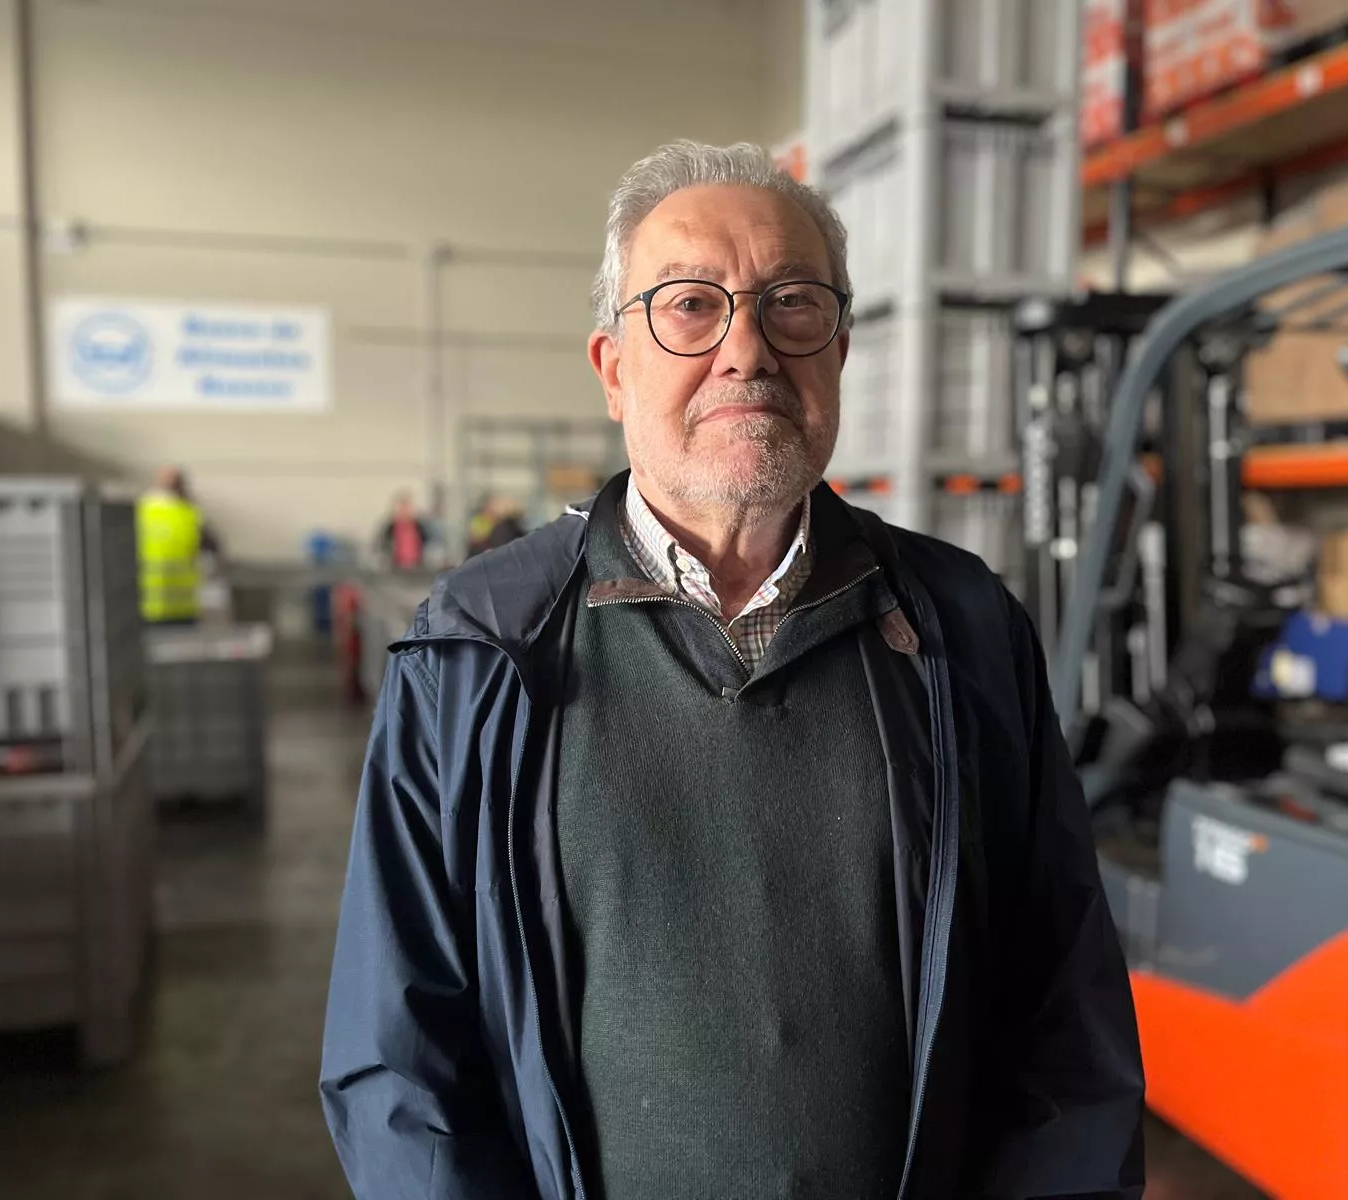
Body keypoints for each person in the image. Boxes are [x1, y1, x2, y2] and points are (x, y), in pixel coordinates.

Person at [322, 141, 1144, 1200]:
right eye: (689, 305)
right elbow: (400, 1065)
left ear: (838, 353)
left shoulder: (964, 629)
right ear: (613, 369)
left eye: (791, 303)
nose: (746, 350)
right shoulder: (481, 650)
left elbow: (1064, 1021)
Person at [136, 466, 218, 625]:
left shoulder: (140, 512)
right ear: (182, 486)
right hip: (182, 608)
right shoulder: (190, 514)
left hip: (146, 606)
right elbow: (214, 550)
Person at [373, 491, 429, 572]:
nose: (404, 511)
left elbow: (428, 544)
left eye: (407, 507)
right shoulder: (390, 528)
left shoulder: (420, 527)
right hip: (395, 568)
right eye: (402, 507)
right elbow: (382, 546)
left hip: (417, 568)